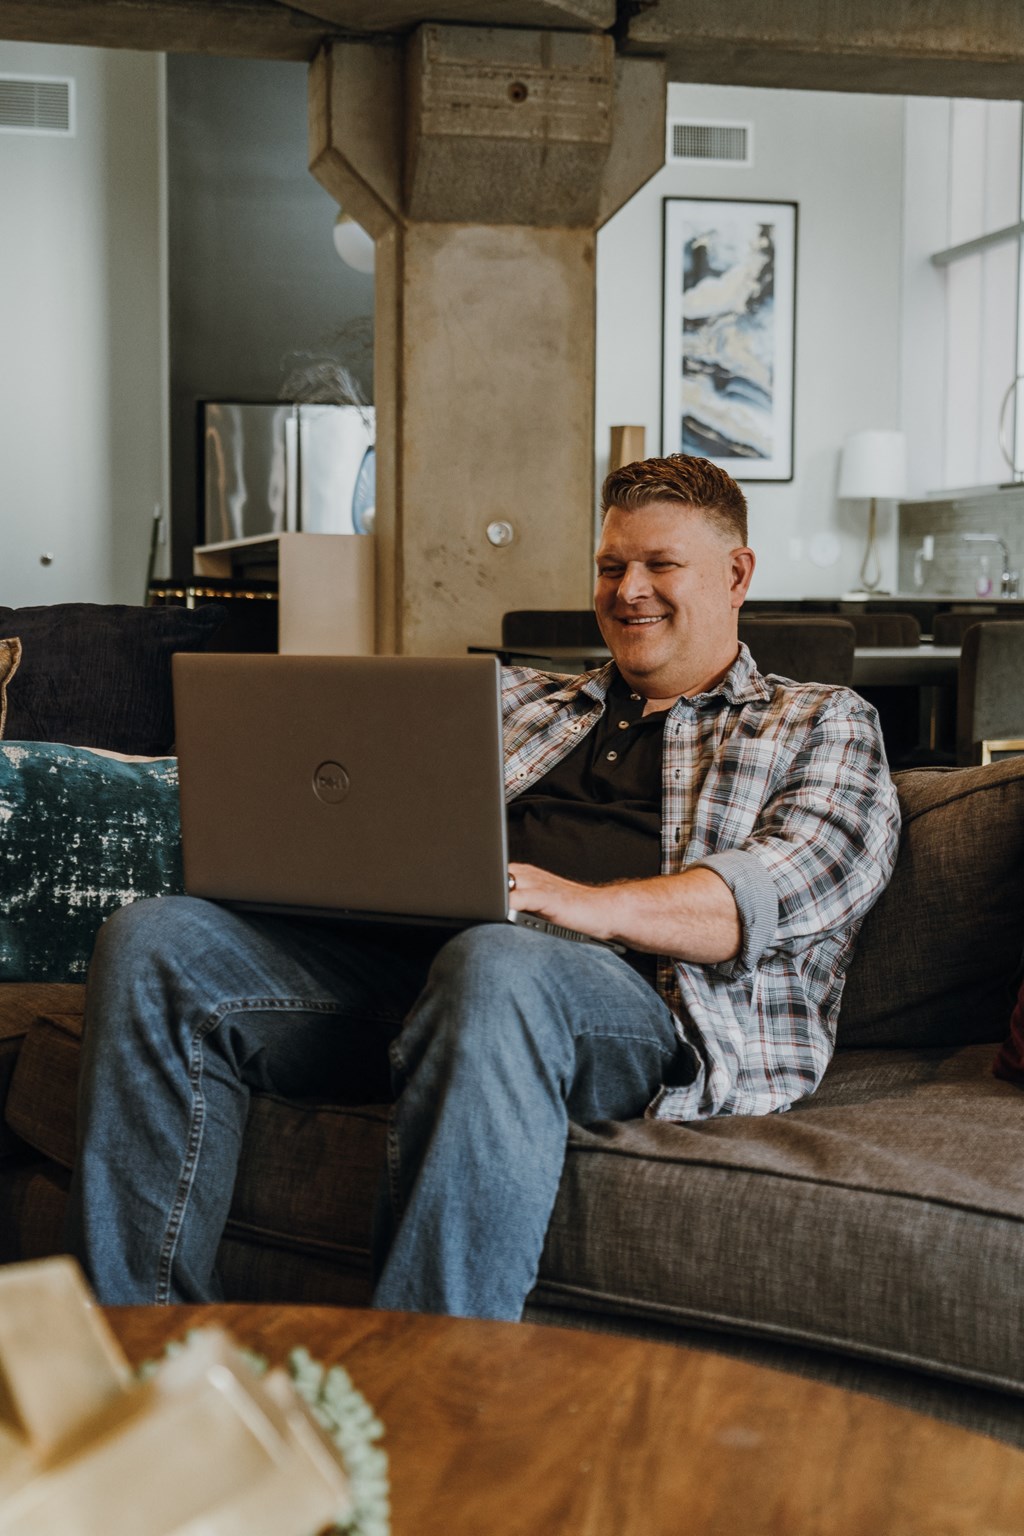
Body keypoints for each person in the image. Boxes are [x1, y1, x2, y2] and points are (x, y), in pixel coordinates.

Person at [64, 454, 901, 1318]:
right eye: (611, 566)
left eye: (660, 565)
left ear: (736, 574)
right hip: (415, 977)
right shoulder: (514, 700)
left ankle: (429, 1389)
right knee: (154, 941)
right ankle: (135, 1361)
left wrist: (570, 900)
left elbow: (767, 896)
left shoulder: (820, 721)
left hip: (630, 1005)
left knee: (496, 958)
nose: (627, 590)